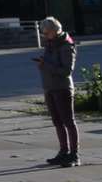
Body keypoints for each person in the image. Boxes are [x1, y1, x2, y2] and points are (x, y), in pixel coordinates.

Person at [33, 16, 79, 166]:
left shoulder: (66, 45)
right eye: (43, 33)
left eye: (47, 33)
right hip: (50, 87)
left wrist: (45, 65)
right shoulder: (50, 44)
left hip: (62, 88)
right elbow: (50, 63)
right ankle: (63, 152)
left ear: (55, 31)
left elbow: (66, 71)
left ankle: (74, 155)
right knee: (57, 122)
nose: (45, 36)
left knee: (68, 121)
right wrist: (43, 64)